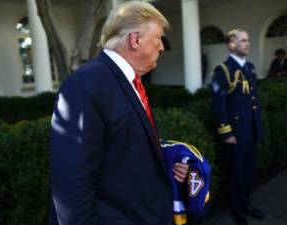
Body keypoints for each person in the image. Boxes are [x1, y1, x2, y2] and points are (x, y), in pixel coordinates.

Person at [49, 2, 188, 225]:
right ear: (135, 40)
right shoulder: (85, 84)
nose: (162, 47)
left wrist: (165, 162)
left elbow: (122, 149)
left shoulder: (130, 81)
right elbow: (71, 185)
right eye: (158, 38)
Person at [211, 29, 264, 225]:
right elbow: (219, 105)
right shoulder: (223, 70)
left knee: (249, 172)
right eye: (242, 40)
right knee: (236, 173)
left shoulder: (249, 67)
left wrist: (258, 127)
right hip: (235, 134)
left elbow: (253, 101)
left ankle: (247, 204)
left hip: (251, 130)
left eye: (248, 40)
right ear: (231, 45)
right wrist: (226, 132)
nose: (247, 43)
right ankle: (237, 210)